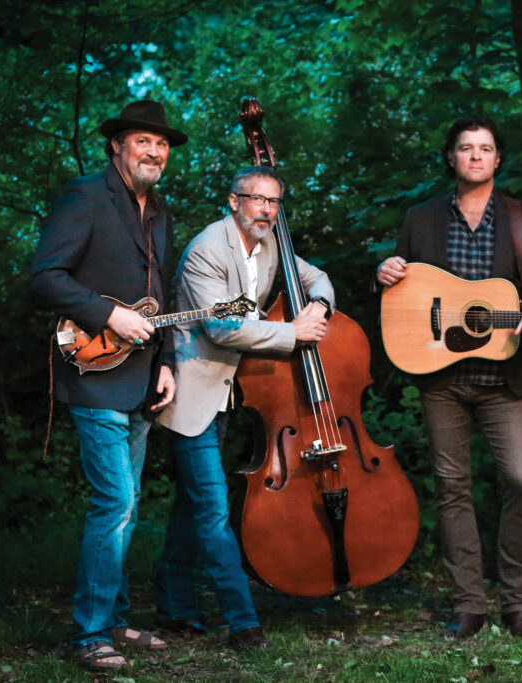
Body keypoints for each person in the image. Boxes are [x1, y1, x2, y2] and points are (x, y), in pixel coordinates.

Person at [376, 116, 522, 642]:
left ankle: (518, 603)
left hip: (506, 376)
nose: (476, 156)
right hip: (439, 375)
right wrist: (387, 273)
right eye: (466, 148)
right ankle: (469, 605)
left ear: (498, 159)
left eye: (486, 149)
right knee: (452, 488)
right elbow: (406, 293)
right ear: (451, 157)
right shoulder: (421, 218)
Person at [30, 100, 185, 670]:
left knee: (131, 502)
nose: (155, 152)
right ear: (117, 146)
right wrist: (106, 314)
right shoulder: (86, 196)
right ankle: (89, 634)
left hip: (143, 377)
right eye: (144, 141)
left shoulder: (160, 209)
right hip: (94, 371)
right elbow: (45, 276)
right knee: (114, 501)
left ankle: (115, 620)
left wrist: (167, 359)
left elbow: (161, 293)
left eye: (162, 144)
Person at [154, 165, 333, 650]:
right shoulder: (208, 249)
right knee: (212, 510)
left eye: (273, 202)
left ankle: (174, 606)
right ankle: (242, 621)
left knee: (192, 507)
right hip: (192, 392)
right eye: (256, 199)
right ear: (233, 201)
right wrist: (293, 334)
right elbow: (223, 328)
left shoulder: (272, 243)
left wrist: (320, 306)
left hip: (233, 393)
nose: (265, 210)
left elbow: (316, 277)